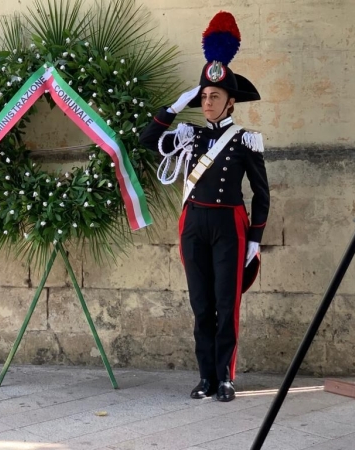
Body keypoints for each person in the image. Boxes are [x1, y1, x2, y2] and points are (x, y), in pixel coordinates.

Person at [139, 11, 270, 402]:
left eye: (215, 97)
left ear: (231, 103)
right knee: (201, 303)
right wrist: (176, 106)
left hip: (230, 225)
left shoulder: (246, 141)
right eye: (204, 96)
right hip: (193, 222)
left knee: (226, 304)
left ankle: (226, 378)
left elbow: (261, 194)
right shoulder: (188, 134)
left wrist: (256, 240)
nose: (208, 102)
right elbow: (148, 139)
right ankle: (206, 378)